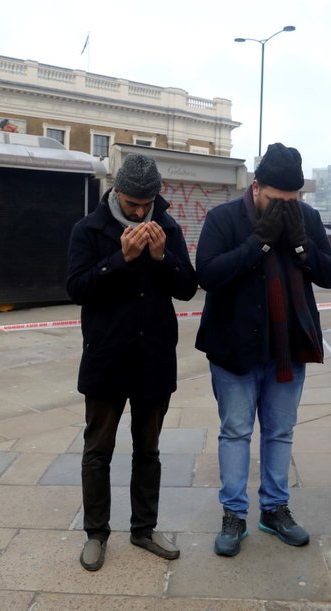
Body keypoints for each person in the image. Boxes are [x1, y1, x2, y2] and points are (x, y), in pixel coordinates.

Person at [195, 143, 331, 557]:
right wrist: (259, 243)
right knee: (236, 431)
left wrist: (301, 247)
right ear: (256, 187)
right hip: (234, 348)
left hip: (288, 346)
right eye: (276, 201)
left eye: (291, 201)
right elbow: (207, 274)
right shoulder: (223, 218)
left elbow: (330, 275)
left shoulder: (307, 219)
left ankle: (275, 509)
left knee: (280, 432)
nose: (284, 209)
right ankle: (234, 514)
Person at [66, 154, 198, 571]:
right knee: (97, 450)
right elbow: (76, 288)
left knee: (149, 451)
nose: (141, 212)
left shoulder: (169, 228)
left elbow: (187, 288)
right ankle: (96, 533)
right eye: (133, 203)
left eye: (148, 202)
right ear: (116, 192)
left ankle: (143, 529)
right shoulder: (88, 229)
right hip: (106, 357)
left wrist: (163, 259)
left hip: (154, 358)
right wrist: (118, 260)